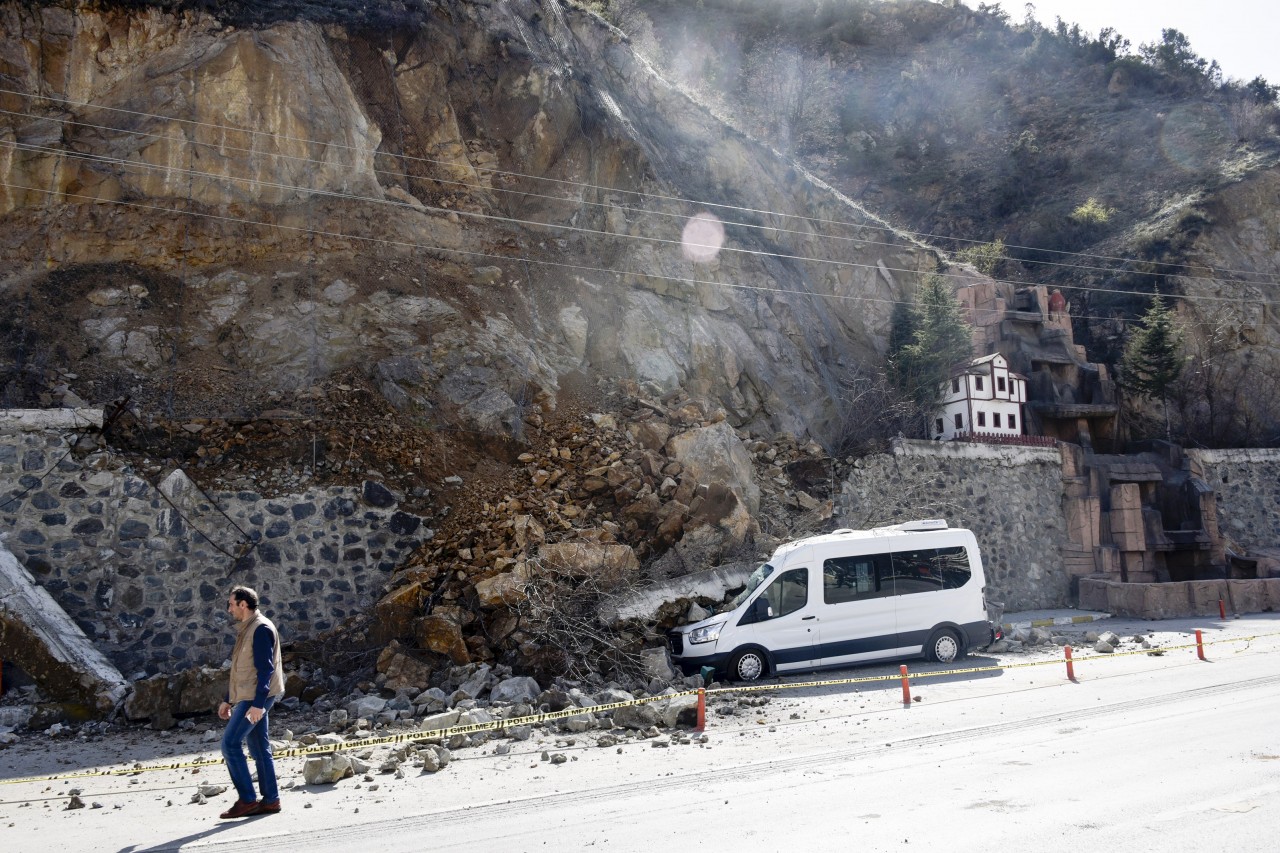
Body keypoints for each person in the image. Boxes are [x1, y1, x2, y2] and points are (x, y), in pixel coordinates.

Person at [218, 585, 285, 819]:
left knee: (230, 744)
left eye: (231, 604)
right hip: (250, 697)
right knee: (258, 748)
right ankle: (270, 800)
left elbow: (266, 670)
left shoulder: (260, 629)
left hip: (256, 698)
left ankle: (247, 800)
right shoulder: (248, 628)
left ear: (243, 605)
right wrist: (228, 699)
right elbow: (241, 670)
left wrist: (257, 705)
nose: (229, 609)